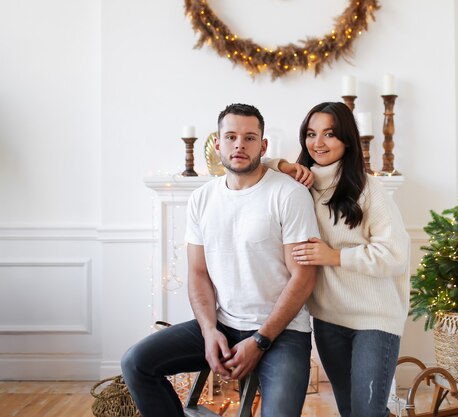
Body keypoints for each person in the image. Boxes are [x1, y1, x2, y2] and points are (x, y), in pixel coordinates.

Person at [121, 103, 320, 417]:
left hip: (282, 334)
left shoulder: (289, 194)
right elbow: (198, 273)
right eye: (231, 136)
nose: (239, 144)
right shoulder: (202, 198)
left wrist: (261, 340)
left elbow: (304, 277)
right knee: (135, 362)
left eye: (250, 137)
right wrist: (209, 330)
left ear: (263, 146)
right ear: (218, 144)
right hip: (223, 325)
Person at [269, 101, 410, 417]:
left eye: (329, 134)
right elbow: (250, 161)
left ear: (347, 139)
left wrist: (335, 257)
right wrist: (284, 166)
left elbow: (395, 255)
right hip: (328, 320)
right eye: (311, 134)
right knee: (350, 411)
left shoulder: (368, 187)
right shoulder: (297, 185)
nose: (318, 143)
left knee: (367, 412)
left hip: (373, 319)